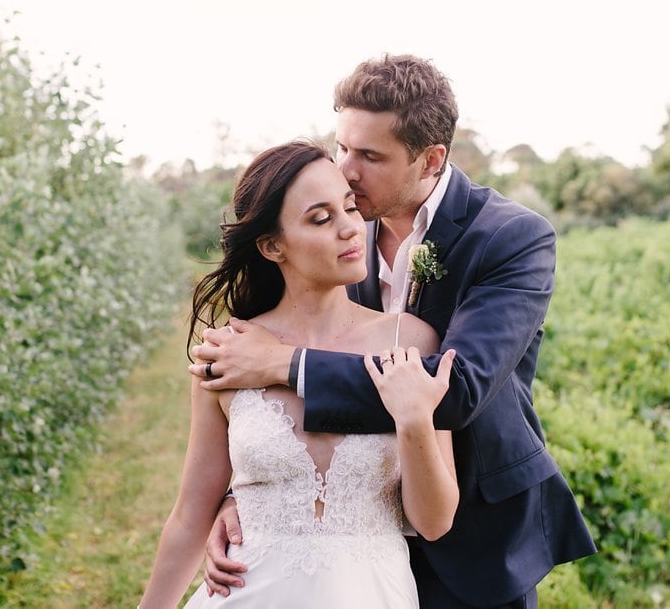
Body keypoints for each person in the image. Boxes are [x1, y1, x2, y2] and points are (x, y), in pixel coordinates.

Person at [191, 54, 597, 608]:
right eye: (343, 147)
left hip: (474, 531)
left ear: (430, 159)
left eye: (370, 156)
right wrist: (254, 498)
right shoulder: (343, 229)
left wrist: (286, 363)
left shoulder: (512, 239)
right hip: (359, 529)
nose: (347, 170)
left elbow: (454, 390)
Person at [139, 140, 460, 609]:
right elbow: (190, 516)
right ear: (272, 246)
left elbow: (434, 522)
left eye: (349, 208)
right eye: (321, 218)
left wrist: (414, 422)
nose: (350, 228)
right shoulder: (228, 353)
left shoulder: (410, 342)